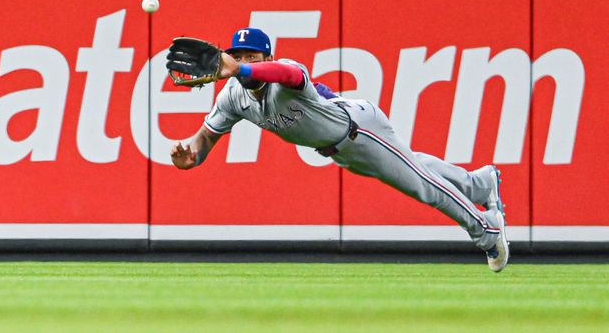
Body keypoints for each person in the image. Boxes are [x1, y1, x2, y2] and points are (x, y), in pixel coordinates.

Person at [169, 27, 509, 272]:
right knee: (415, 167)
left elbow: (287, 73)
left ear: (266, 56)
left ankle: (487, 229)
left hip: (359, 128)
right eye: (237, 55)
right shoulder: (232, 95)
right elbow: (206, 137)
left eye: (251, 55)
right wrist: (193, 155)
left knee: (420, 185)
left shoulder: (285, 70)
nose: (243, 60)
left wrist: (241, 68)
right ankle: (480, 183)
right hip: (339, 149)